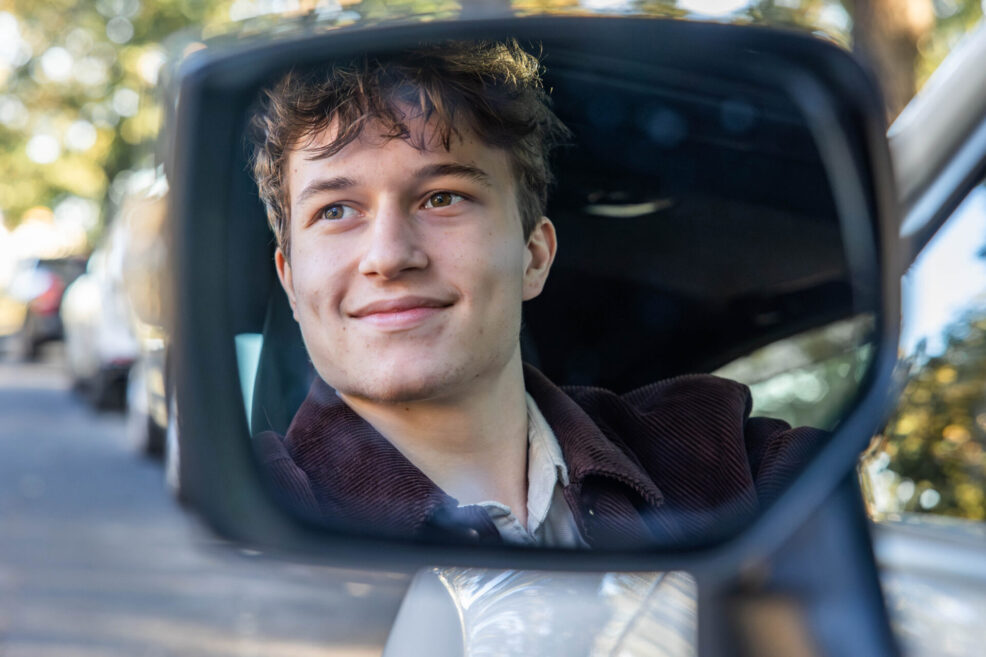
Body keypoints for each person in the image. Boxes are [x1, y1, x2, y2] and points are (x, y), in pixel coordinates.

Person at [248, 40, 823, 549]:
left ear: (534, 256)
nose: (390, 256)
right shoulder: (246, 506)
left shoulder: (721, 453)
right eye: (337, 210)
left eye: (442, 198)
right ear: (291, 282)